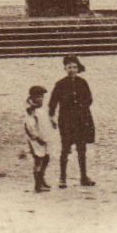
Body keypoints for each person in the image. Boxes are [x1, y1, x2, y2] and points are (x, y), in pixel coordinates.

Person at [48, 55, 95, 188]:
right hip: (66, 120)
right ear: (65, 68)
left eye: (74, 67)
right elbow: (53, 102)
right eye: (69, 67)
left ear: (77, 68)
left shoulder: (82, 82)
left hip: (81, 119)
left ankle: (83, 177)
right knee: (65, 148)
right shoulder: (60, 84)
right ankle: (62, 178)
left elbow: (89, 99)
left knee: (82, 149)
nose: (72, 69)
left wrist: (81, 107)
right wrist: (51, 116)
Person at [24, 86, 53, 193]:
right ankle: (37, 185)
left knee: (46, 158)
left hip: (43, 137)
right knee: (39, 160)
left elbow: (44, 118)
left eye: (42, 96)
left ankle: (42, 179)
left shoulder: (40, 107)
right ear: (33, 97)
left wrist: (51, 122)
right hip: (36, 140)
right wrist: (37, 137)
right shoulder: (31, 109)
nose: (41, 99)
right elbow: (29, 125)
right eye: (38, 96)